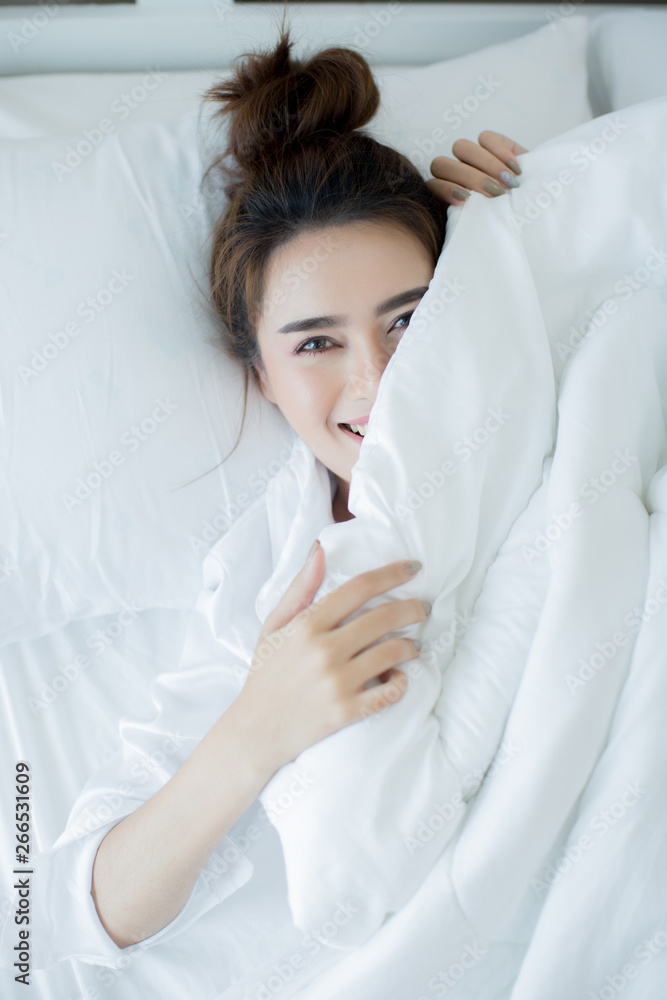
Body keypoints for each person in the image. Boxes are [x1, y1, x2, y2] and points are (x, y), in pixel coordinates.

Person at [0, 25, 527, 980]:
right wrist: (260, 723)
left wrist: (540, 246)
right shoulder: (270, 576)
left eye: (410, 320)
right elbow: (63, 918)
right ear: (261, 379)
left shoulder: (534, 389)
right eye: (317, 344)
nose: (379, 382)